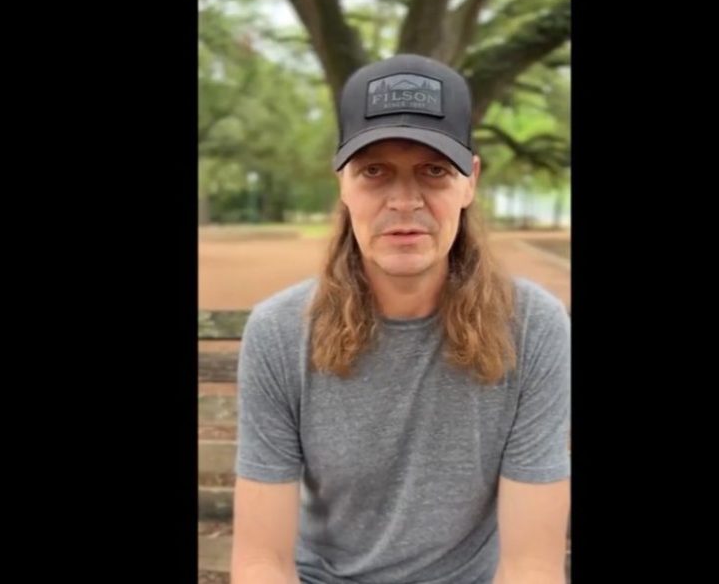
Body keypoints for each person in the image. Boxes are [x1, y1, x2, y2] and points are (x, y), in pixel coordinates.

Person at [229, 54, 571, 584]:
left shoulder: (533, 328)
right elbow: (261, 562)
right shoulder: (278, 332)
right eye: (374, 171)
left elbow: (530, 566)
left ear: (469, 181)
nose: (405, 201)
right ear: (343, 184)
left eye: (434, 171)